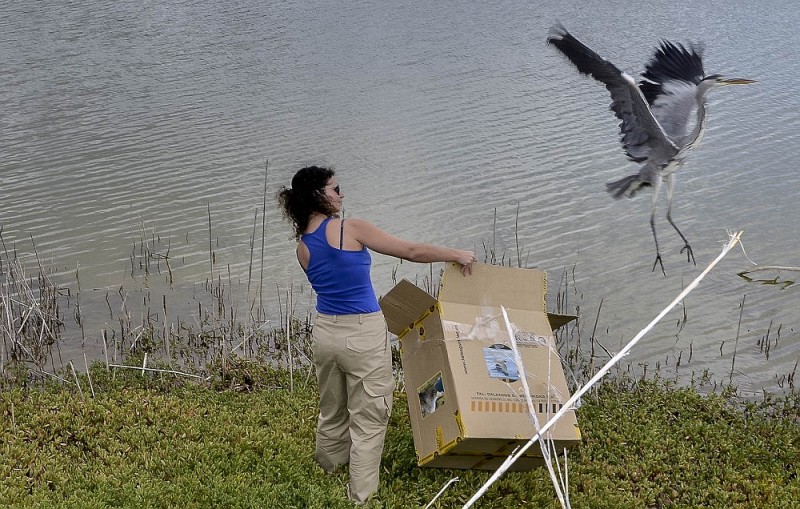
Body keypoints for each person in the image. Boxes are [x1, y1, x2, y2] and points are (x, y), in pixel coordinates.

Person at [278, 165, 474, 504]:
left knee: (332, 408)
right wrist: (457, 254)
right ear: (318, 195)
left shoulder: (302, 247)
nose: (342, 194)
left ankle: (328, 469)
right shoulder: (350, 228)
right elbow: (410, 252)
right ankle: (361, 497)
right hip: (362, 333)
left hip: (325, 333)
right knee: (370, 417)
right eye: (335, 189)